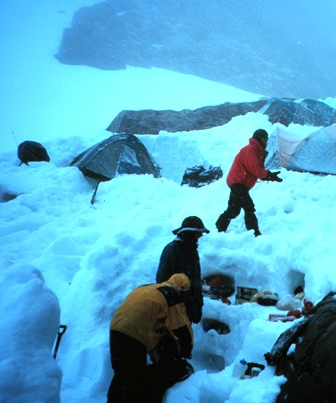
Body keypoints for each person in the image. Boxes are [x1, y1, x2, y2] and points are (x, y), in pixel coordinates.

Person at [107, 273, 194, 403]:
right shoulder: (172, 295)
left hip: (116, 328)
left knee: (122, 374)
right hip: (134, 333)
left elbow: (149, 320)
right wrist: (187, 349)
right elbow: (181, 327)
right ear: (182, 289)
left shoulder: (148, 287)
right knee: (135, 379)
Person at [156, 215, 210, 358]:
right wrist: (183, 304)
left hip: (185, 306)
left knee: (182, 341)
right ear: (189, 233)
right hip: (175, 307)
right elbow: (163, 282)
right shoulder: (175, 250)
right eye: (198, 233)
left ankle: (178, 364)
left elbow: (194, 280)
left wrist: (197, 304)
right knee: (175, 343)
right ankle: (174, 368)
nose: (199, 236)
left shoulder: (189, 249)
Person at [215, 129, 283, 236]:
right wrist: (269, 175)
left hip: (240, 183)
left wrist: (269, 177)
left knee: (233, 210)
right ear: (258, 138)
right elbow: (255, 169)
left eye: (267, 138)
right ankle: (254, 233)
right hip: (238, 182)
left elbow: (256, 170)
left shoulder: (257, 151)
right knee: (249, 207)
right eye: (264, 138)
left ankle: (219, 228)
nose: (266, 141)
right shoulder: (250, 150)